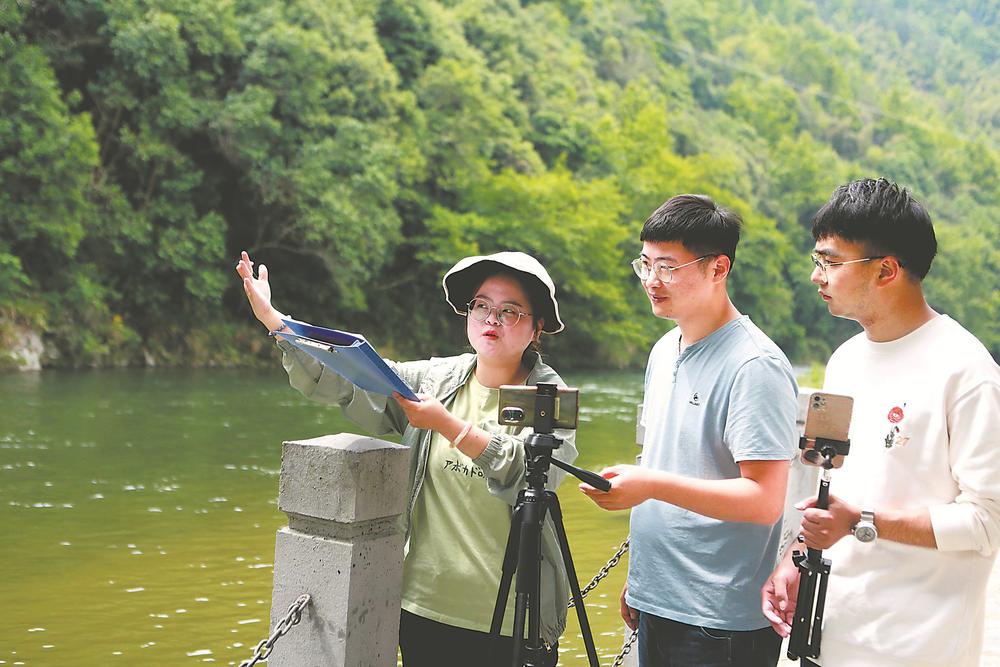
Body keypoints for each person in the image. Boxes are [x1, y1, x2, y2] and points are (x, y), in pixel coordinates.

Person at [236, 250, 576, 667]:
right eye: (482, 306)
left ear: (538, 325)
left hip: (511, 619)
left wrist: (448, 425)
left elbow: (529, 474)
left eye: (510, 311)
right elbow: (353, 380)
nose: (491, 319)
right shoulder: (436, 380)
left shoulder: (550, 397)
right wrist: (275, 321)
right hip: (422, 607)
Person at [761, 177, 1000, 667]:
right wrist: (798, 552)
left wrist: (863, 524)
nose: (817, 276)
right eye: (817, 260)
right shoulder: (845, 359)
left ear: (887, 269)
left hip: (911, 644)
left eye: (830, 261)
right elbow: (834, 479)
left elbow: (987, 522)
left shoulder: (967, 371)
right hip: (822, 626)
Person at [579, 194, 798, 667]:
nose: (652, 282)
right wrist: (640, 580)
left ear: (718, 268)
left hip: (718, 619)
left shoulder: (754, 366)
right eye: (646, 264)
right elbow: (668, 462)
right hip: (657, 599)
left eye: (668, 267)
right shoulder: (664, 349)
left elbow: (763, 500)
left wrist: (650, 486)